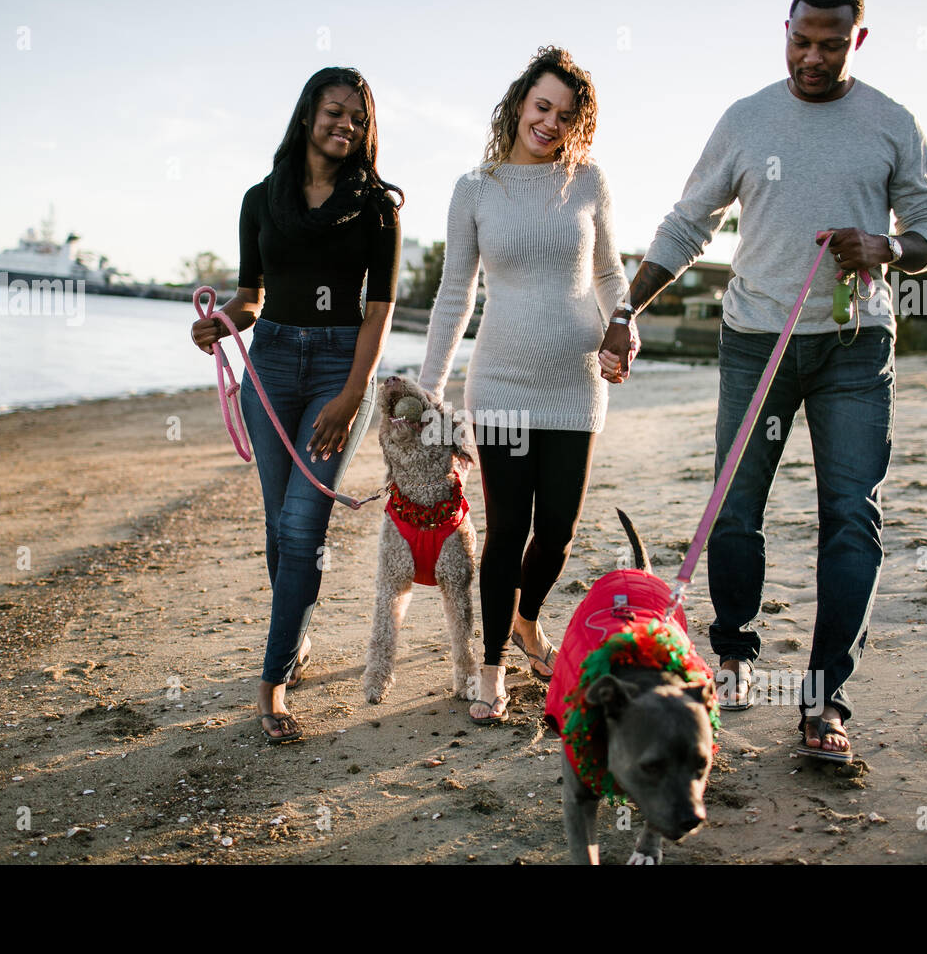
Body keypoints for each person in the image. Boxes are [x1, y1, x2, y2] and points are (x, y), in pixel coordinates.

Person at [599, 0, 927, 760]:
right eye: (802, 42)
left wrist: (887, 248)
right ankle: (732, 654)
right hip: (756, 340)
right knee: (734, 507)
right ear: (784, 33)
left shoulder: (893, 121)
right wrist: (628, 309)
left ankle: (825, 702)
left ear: (857, 38)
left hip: (855, 348)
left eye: (831, 45)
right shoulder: (746, 119)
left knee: (852, 517)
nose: (813, 59)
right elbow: (690, 221)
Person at [191, 67, 402, 744]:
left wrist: (352, 393)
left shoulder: (377, 208)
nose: (346, 125)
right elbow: (253, 295)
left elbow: (380, 308)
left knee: (304, 527)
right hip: (274, 363)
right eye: (335, 112)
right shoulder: (262, 200)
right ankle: (299, 635)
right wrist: (222, 321)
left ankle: (273, 683)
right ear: (309, 114)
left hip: (341, 367)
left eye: (358, 119)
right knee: (278, 528)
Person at [420, 46, 628, 725]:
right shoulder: (475, 188)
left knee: (559, 532)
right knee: (508, 529)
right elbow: (456, 292)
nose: (551, 124)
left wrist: (623, 326)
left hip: (575, 383)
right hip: (502, 384)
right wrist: (429, 390)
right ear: (518, 104)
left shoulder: (588, 181)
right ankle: (490, 669)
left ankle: (526, 619)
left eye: (567, 116)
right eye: (543, 107)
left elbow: (607, 275)